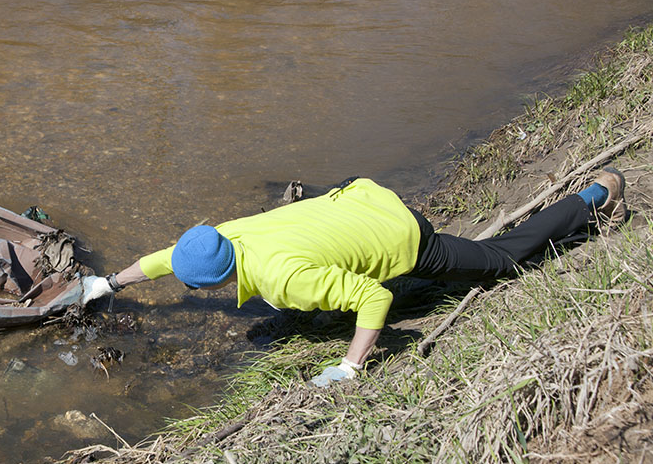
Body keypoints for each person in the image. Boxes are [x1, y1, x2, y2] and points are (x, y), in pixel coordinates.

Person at [81, 168, 626, 387]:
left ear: (210, 285)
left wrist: (348, 366)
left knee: (500, 259)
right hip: (358, 196)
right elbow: (167, 257)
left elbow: (373, 296)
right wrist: (111, 283)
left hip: (405, 237)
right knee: (317, 291)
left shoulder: (281, 278)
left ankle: (596, 196)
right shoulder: (225, 234)